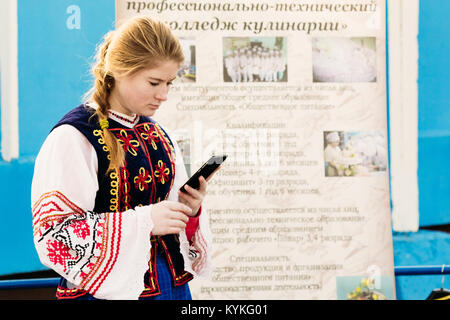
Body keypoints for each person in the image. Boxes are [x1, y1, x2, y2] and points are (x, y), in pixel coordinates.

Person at [31, 16, 215, 300]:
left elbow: (172, 227)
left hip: (170, 286)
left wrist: (188, 210)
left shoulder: (158, 135)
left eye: (169, 83)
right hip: (106, 291)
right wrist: (145, 221)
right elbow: (54, 235)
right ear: (119, 71)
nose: (163, 94)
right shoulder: (74, 136)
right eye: (154, 82)